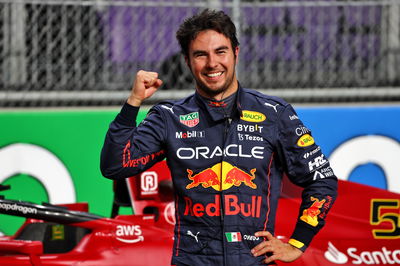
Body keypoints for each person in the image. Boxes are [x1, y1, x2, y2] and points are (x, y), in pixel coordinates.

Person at [100, 9, 338, 266]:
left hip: (253, 260)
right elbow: (116, 165)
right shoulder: (169, 117)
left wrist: (297, 243)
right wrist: (133, 102)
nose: (212, 63)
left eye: (220, 52)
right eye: (201, 55)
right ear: (187, 61)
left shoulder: (274, 114)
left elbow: (322, 179)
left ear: (235, 52)